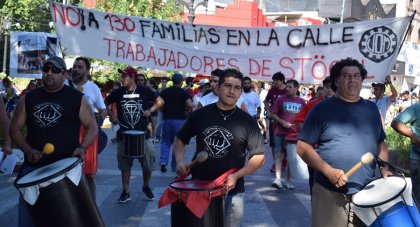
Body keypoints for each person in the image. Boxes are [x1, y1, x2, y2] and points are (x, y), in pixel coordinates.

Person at [296, 58, 392, 226]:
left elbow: (381, 143)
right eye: (346, 75)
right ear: (336, 81)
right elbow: (303, 147)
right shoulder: (321, 109)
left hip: (366, 191)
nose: (352, 80)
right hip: (328, 191)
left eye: (356, 76)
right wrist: (328, 171)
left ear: (362, 81)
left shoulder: (371, 108)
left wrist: (384, 167)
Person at [10, 56, 98, 227]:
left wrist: (82, 148)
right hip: (33, 168)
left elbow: (92, 127)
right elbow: (14, 129)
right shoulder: (28, 98)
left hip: (65, 168)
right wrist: (28, 150)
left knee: (68, 220)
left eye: (55, 70)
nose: (49, 73)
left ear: (65, 74)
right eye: (46, 69)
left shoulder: (77, 98)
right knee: (29, 220)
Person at [173, 68, 265, 227]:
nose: (232, 91)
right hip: (199, 188)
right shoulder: (200, 114)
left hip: (232, 193)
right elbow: (181, 139)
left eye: (237, 88)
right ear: (217, 87)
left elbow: (259, 157)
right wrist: (180, 161)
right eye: (228, 86)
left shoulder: (247, 121)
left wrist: (237, 175)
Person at [105, 66, 164, 203]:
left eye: (124, 76)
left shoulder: (144, 90)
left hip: (144, 135)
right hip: (124, 135)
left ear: (132, 78)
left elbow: (160, 101)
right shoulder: (118, 92)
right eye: (121, 76)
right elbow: (106, 103)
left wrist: (151, 110)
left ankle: (146, 186)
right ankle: (125, 192)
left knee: (149, 164)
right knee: (125, 166)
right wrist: (111, 114)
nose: (121, 79)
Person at [70, 56, 108, 198]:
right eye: (74, 66)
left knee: (90, 174)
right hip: (69, 134)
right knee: (68, 172)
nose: (76, 69)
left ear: (87, 70)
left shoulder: (93, 87)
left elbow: (103, 110)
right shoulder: (65, 85)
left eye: (80, 67)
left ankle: (91, 208)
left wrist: (97, 121)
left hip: (88, 135)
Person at [294, 76, 335, 194]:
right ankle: (315, 208)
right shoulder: (313, 104)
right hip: (315, 152)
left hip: (333, 153)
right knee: (315, 184)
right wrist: (310, 135)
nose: (329, 90)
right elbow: (298, 122)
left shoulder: (343, 106)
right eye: (327, 87)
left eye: (332, 87)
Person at [269, 79, 306, 190]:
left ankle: (288, 180)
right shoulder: (280, 100)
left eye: (290, 87)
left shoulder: (302, 102)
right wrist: (282, 122)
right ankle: (278, 179)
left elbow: (305, 117)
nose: (288, 89)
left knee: (290, 157)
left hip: (294, 135)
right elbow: (272, 113)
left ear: (296, 88)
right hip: (280, 132)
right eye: (287, 87)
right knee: (278, 155)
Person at [159, 73, 193, 172]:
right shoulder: (183, 93)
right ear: (181, 82)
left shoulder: (165, 92)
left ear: (172, 81)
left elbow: (159, 103)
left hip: (167, 120)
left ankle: (163, 162)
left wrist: (163, 110)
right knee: (177, 144)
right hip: (179, 121)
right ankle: (175, 165)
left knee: (165, 142)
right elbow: (190, 105)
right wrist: (188, 111)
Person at [391, 103, 420, 203]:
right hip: (418, 159)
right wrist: (412, 135)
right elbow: (395, 122)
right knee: (418, 199)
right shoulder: (416, 108)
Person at [263, 72, 287, 172]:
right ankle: (276, 162)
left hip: (286, 120)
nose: (275, 83)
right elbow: (265, 101)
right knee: (273, 143)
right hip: (274, 120)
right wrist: (268, 111)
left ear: (282, 80)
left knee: (286, 142)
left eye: (276, 81)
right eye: (274, 81)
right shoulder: (272, 90)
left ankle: (284, 161)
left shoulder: (288, 90)